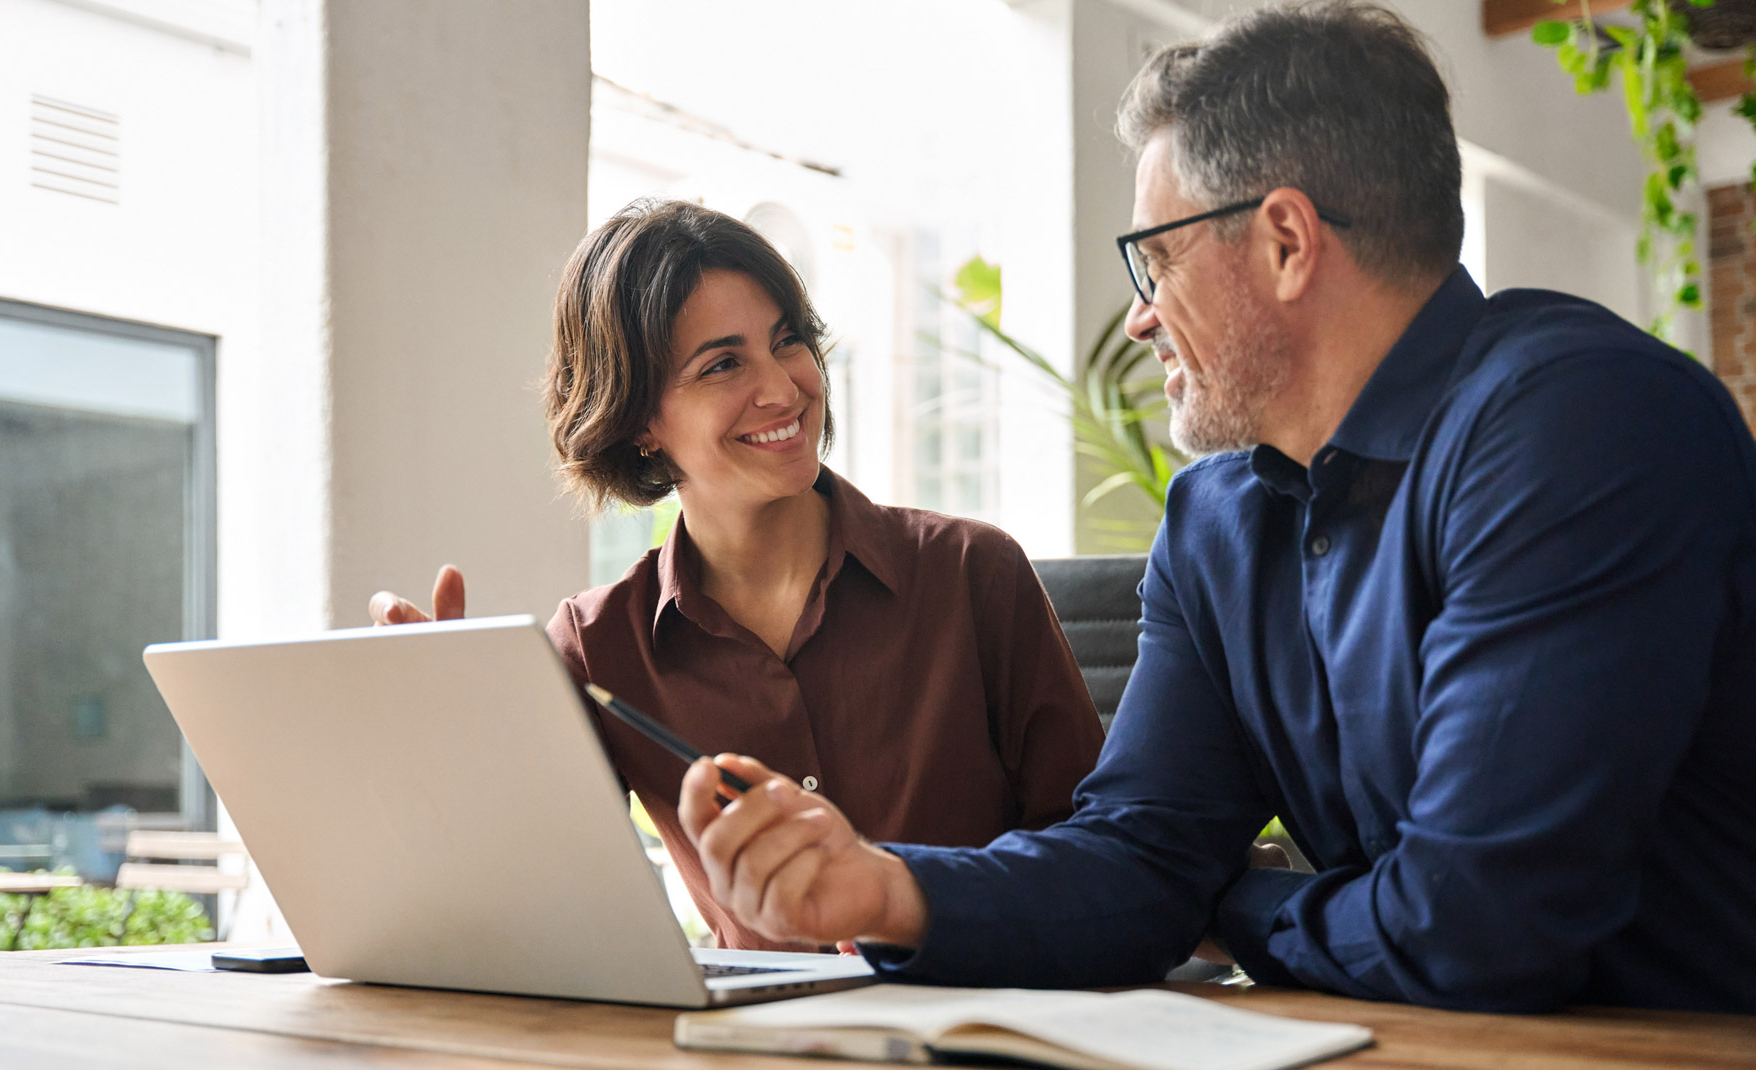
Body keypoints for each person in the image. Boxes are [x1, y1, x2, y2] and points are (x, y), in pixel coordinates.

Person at [675, 0, 1756, 1013]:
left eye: (1155, 259)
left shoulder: (1579, 426)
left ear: (1286, 242)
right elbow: (1141, 852)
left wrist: (1223, 905)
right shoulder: (1216, 521)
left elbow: (1475, 924)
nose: (1139, 320)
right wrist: (880, 891)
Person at [370, 198, 1105, 951]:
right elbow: (536, 897)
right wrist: (452, 727)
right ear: (639, 422)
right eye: (723, 364)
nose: (785, 390)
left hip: (988, 1027)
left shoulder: (971, 574)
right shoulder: (598, 648)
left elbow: (1103, 862)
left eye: (788, 343)